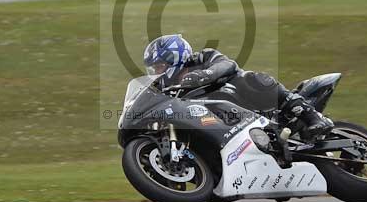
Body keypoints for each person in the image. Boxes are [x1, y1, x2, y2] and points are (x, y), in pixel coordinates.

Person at [143, 34, 334, 140]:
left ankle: (312, 117)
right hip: (219, 123)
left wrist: (202, 75)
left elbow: (227, 65)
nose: (157, 71)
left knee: (251, 78)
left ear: (174, 58)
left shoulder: (203, 57)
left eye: (159, 65)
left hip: (251, 104)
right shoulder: (166, 85)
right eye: (154, 68)